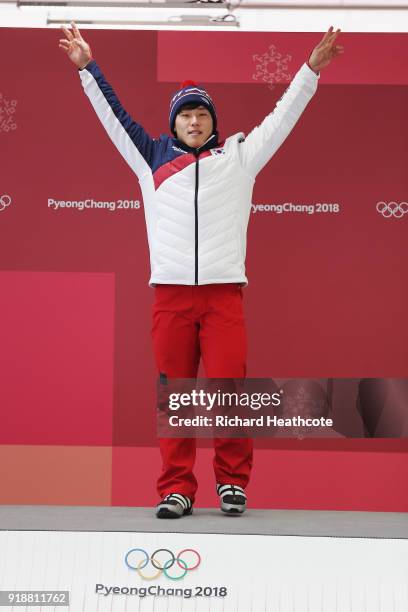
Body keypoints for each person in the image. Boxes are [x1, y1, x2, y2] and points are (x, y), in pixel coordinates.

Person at [59, 23, 344, 518]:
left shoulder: (239, 158)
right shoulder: (150, 159)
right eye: (186, 115)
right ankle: (177, 489)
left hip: (223, 295)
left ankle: (232, 484)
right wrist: (88, 67)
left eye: (201, 114)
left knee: (228, 389)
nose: (194, 121)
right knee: (176, 396)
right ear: (174, 124)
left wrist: (309, 72)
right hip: (170, 297)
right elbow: (114, 116)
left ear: (213, 121)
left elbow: (281, 119)